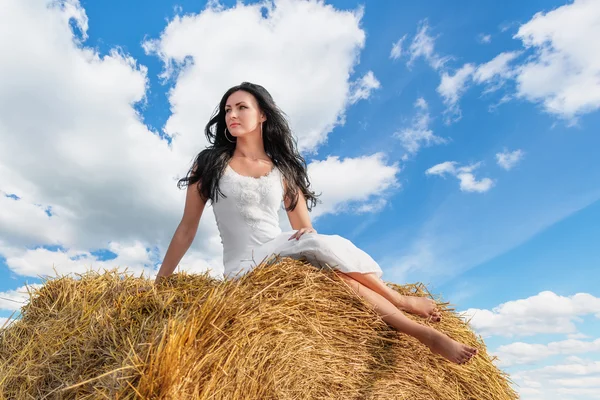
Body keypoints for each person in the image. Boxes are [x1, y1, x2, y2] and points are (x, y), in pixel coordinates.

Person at [154, 82, 477, 364]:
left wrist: (307, 240)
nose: (232, 115)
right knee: (317, 245)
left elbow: (304, 228)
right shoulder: (210, 162)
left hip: (280, 250)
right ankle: (400, 300)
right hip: (243, 264)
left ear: (262, 115)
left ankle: (424, 334)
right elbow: (187, 227)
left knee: (334, 273)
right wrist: (160, 283)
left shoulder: (284, 171)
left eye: (241, 107)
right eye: (227, 109)